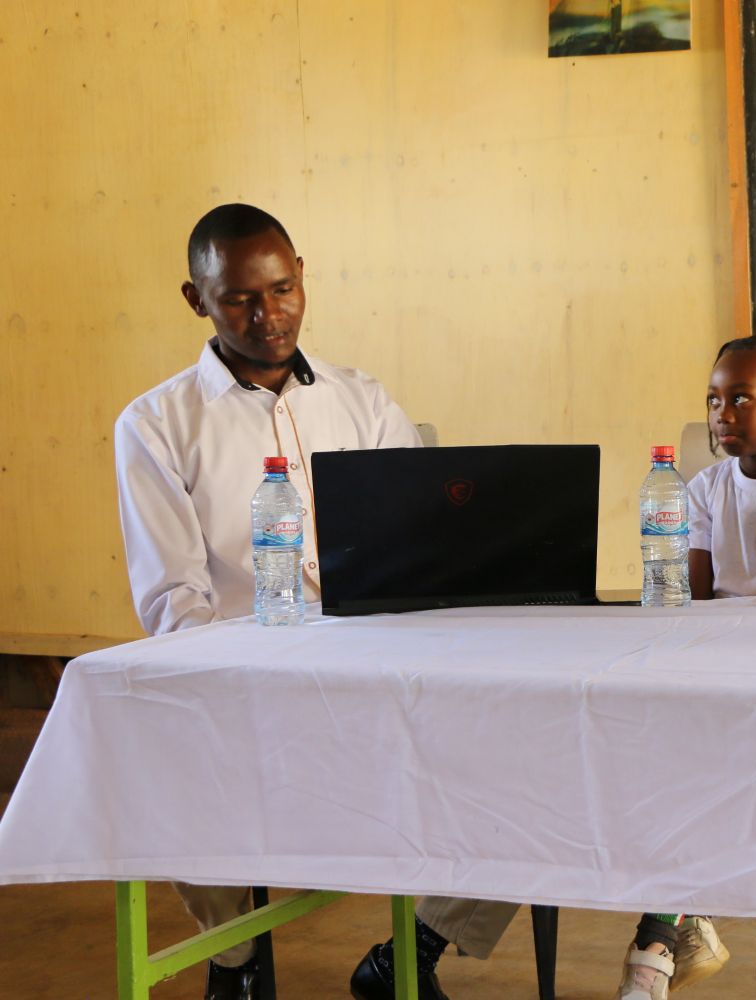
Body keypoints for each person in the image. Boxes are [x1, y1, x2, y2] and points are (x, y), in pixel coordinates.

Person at [114, 203, 504, 1000]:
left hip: (380, 670)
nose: (269, 316)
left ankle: (416, 947)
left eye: (284, 289)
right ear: (197, 301)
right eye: (240, 300)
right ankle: (235, 959)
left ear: (302, 276)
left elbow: (426, 546)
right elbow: (173, 602)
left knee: (529, 755)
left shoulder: (361, 402)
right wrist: (262, 667)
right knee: (166, 745)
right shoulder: (156, 425)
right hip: (245, 680)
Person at [616, 334, 756, 1000]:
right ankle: (672, 931)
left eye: (742, 398)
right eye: (714, 400)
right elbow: (693, 599)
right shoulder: (707, 487)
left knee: (700, 762)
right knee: (671, 753)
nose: (723, 414)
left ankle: (657, 947)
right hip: (723, 669)